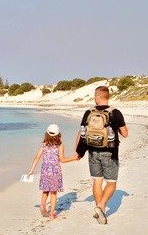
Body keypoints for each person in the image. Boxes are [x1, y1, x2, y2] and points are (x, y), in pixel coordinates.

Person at [75, 85, 128, 225]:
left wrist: (78, 152)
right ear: (107, 97)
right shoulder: (115, 112)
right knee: (111, 183)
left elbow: (81, 133)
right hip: (110, 153)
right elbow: (125, 134)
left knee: (97, 181)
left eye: (94, 96)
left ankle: (100, 211)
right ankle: (101, 206)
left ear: (97, 98)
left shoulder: (88, 112)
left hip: (92, 152)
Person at [26, 124, 79, 219]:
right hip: (55, 171)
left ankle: (42, 205)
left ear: (47, 134)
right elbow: (62, 160)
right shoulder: (60, 145)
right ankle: (51, 214)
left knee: (45, 190)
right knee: (53, 193)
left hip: (45, 170)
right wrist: (74, 158)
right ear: (58, 134)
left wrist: (31, 171)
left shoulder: (44, 144)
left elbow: (37, 158)